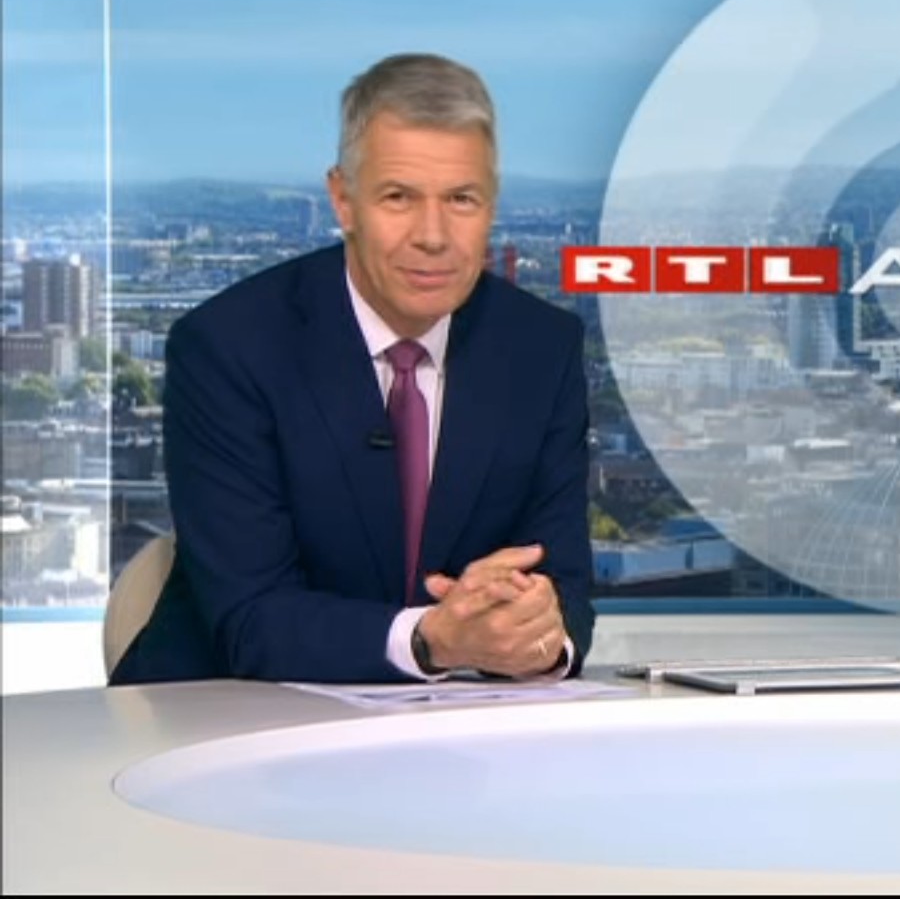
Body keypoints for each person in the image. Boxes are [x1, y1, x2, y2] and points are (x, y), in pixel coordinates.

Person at [111, 54, 596, 685]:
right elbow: (249, 619)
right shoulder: (228, 347)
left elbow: (564, 591)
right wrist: (429, 640)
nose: (433, 235)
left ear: (491, 204)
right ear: (343, 200)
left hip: (452, 724)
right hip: (218, 712)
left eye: (461, 199)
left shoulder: (541, 348)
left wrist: (536, 634)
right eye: (399, 197)